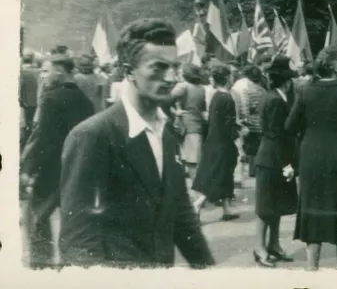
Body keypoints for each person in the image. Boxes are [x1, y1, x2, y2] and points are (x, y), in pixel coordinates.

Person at [59, 19, 214, 268]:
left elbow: (180, 210)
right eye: (159, 68)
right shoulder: (93, 135)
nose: (172, 77)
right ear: (129, 71)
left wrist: (206, 268)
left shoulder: (166, 130)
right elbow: (79, 242)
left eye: (175, 67)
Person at [285, 46, 337, 270]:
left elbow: (290, 125)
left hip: (312, 156)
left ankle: (312, 268)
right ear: (334, 64)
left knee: (314, 208)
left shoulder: (305, 90)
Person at [21, 54, 94, 268]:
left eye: (46, 70)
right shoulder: (84, 100)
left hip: (51, 168)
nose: (42, 76)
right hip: (77, 167)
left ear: (60, 71)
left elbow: (43, 138)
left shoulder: (51, 98)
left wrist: (28, 168)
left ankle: (40, 266)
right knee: (72, 220)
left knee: (35, 217)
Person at [253, 57, 299, 268]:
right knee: (266, 207)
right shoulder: (274, 100)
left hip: (275, 158)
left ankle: (273, 245)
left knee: (275, 205)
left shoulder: (273, 96)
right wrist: (286, 164)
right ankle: (260, 248)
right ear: (286, 81)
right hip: (273, 159)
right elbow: (274, 135)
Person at [192, 65, 244, 221]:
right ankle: (197, 204)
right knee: (218, 176)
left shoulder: (215, 96)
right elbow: (228, 124)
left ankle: (227, 210)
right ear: (228, 78)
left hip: (214, 140)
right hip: (224, 143)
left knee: (225, 175)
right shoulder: (227, 98)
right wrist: (238, 136)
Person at [171, 64, 206, 181]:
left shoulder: (182, 86)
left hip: (184, 125)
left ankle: (195, 187)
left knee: (190, 160)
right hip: (196, 125)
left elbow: (166, 100)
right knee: (195, 159)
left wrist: (175, 112)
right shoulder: (202, 88)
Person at [20, 51, 41, 151]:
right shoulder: (39, 71)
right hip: (36, 102)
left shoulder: (21, 71)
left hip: (25, 103)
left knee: (25, 126)